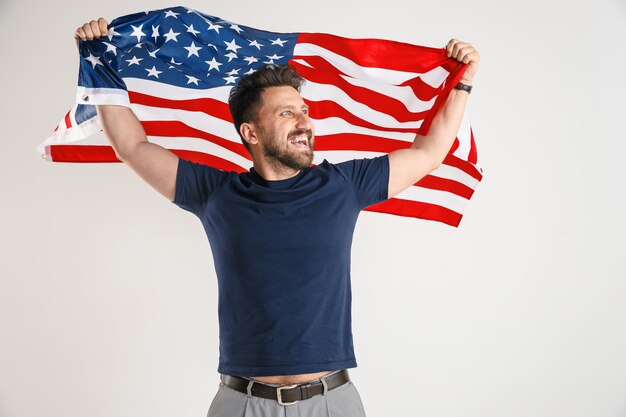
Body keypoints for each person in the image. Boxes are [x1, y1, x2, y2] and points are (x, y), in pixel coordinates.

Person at [74, 17, 480, 417]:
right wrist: (98, 60)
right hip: (242, 402)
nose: (305, 122)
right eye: (287, 114)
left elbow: (428, 152)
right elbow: (132, 145)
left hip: (331, 401)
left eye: (304, 111)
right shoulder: (216, 193)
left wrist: (462, 81)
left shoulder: (343, 184)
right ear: (251, 133)